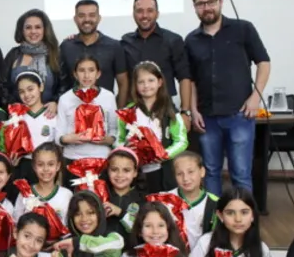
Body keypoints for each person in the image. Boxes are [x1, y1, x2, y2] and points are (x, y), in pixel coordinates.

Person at [185, 0, 271, 196]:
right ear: (195, 8)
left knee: (240, 173)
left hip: (239, 114)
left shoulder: (243, 29)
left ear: (221, 2)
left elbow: (264, 62)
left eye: (211, 2)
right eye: (201, 4)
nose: (207, 8)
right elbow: (192, 80)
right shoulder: (191, 40)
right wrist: (193, 110)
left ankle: (243, 225)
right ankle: (214, 223)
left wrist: (255, 97)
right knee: (210, 172)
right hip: (207, 118)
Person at [116, 61, 188, 194]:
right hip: (135, 174)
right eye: (141, 82)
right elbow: (118, 139)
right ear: (135, 85)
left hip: (163, 173)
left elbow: (182, 141)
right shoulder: (127, 112)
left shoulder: (170, 112)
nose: (146, 85)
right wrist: (125, 148)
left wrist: (165, 154)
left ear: (159, 82)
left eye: (151, 80)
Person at [120, 0, 193, 122]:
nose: (144, 16)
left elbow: (184, 77)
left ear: (157, 14)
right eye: (140, 11)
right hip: (134, 114)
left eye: (150, 11)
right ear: (133, 14)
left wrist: (185, 112)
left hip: (166, 111)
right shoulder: (125, 42)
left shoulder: (173, 40)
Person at [56, 55, 117, 185]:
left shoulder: (108, 96)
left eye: (91, 70)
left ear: (98, 73)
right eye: (82, 70)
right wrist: (69, 139)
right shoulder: (65, 99)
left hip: (100, 157)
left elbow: (114, 130)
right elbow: (58, 136)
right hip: (73, 158)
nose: (86, 75)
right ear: (75, 74)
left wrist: (108, 140)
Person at [59, 0, 130, 107]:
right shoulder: (66, 46)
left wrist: (119, 113)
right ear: (75, 19)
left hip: (105, 113)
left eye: (92, 15)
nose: (87, 19)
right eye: (81, 15)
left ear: (99, 18)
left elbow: (123, 83)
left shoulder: (114, 46)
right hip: (73, 114)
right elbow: (60, 82)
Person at [0, 9, 67, 113]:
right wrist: (13, 105)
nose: (33, 31)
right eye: (28, 27)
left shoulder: (55, 54)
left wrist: (56, 102)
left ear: (45, 30)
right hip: (19, 117)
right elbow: (2, 86)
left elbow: (65, 85)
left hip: (49, 116)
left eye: (38, 27)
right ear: (22, 30)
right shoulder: (13, 55)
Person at [13, 143, 73, 240]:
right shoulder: (25, 193)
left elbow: (69, 228)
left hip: (57, 250)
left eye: (51, 164)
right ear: (34, 166)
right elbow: (17, 223)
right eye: (40, 164)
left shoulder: (66, 195)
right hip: (29, 249)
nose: (45, 169)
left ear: (58, 166)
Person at [162, 151, 219, 248]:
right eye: (180, 174)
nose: (185, 178)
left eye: (191, 172)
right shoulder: (165, 199)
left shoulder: (214, 203)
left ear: (202, 172)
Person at [11, 71, 57, 182]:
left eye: (30, 89)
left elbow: (58, 148)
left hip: (46, 169)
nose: (26, 95)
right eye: (22, 92)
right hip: (22, 168)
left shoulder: (52, 115)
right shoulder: (16, 117)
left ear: (41, 87)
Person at [104, 147, 145, 240]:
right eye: (114, 169)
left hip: (131, 252)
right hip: (102, 252)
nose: (119, 175)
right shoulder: (101, 194)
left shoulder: (142, 199)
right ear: (108, 170)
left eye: (126, 170)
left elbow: (142, 230)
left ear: (135, 172)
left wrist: (120, 212)